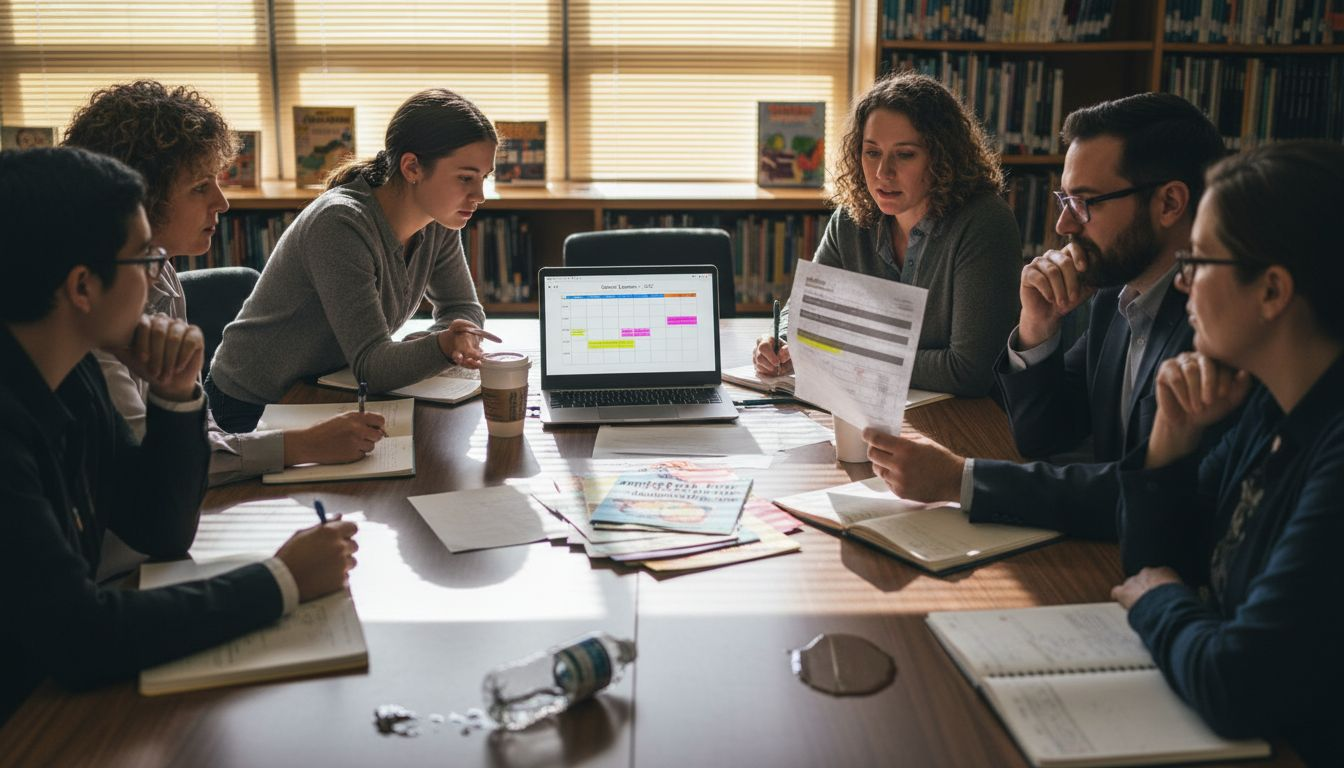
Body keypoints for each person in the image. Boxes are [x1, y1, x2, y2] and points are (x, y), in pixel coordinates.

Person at [0, 146, 358, 720]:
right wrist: (281, 580)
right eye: (144, 260)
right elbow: (79, 636)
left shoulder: (75, 376)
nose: (158, 280)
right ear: (83, 287)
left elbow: (159, 530)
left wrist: (175, 393)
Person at [865, 93, 1228, 540]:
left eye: (1085, 203)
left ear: (1170, 203)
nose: (1064, 227)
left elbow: (1152, 491)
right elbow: (1047, 437)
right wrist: (1037, 328)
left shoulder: (1219, 326)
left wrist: (960, 480)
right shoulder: (1118, 292)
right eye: (1065, 201)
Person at [1111, 141, 1344, 764]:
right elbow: (1153, 565)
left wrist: (1160, 603)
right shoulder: (1269, 403)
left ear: (1272, 291)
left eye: (1198, 260)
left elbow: (1239, 682)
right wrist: (1171, 439)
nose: (1181, 280)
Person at [63, 80, 387, 486]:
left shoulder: (160, 272)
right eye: (200, 187)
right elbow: (150, 463)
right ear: (139, 199)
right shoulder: (85, 312)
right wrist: (299, 446)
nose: (222, 202)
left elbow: (195, 433)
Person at [206, 88, 501, 432]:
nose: (479, 195)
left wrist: (441, 341)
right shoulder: (340, 223)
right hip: (253, 406)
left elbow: (463, 307)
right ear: (412, 168)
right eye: (465, 177)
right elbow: (373, 366)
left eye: (484, 177)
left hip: (328, 390)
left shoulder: (439, 219)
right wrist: (442, 345)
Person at [753, 71, 1021, 398]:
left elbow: (969, 369)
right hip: (870, 405)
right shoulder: (850, 220)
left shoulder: (984, 222)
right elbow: (805, 317)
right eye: (872, 152)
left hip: (962, 419)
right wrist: (779, 342)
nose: (883, 173)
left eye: (905, 154)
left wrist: (843, 351)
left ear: (942, 156)